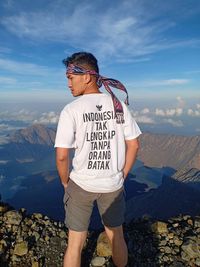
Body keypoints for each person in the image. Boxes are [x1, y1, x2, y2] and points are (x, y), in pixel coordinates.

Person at [55, 52, 141, 267]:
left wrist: (66, 183)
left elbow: (62, 155)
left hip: (81, 184)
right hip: (112, 185)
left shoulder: (71, 110)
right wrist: (122, 175)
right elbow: (134, 144)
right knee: (116, 236)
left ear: (86, 76)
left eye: (70, 77)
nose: (68, 83)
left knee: (75, 244)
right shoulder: (118, 104)